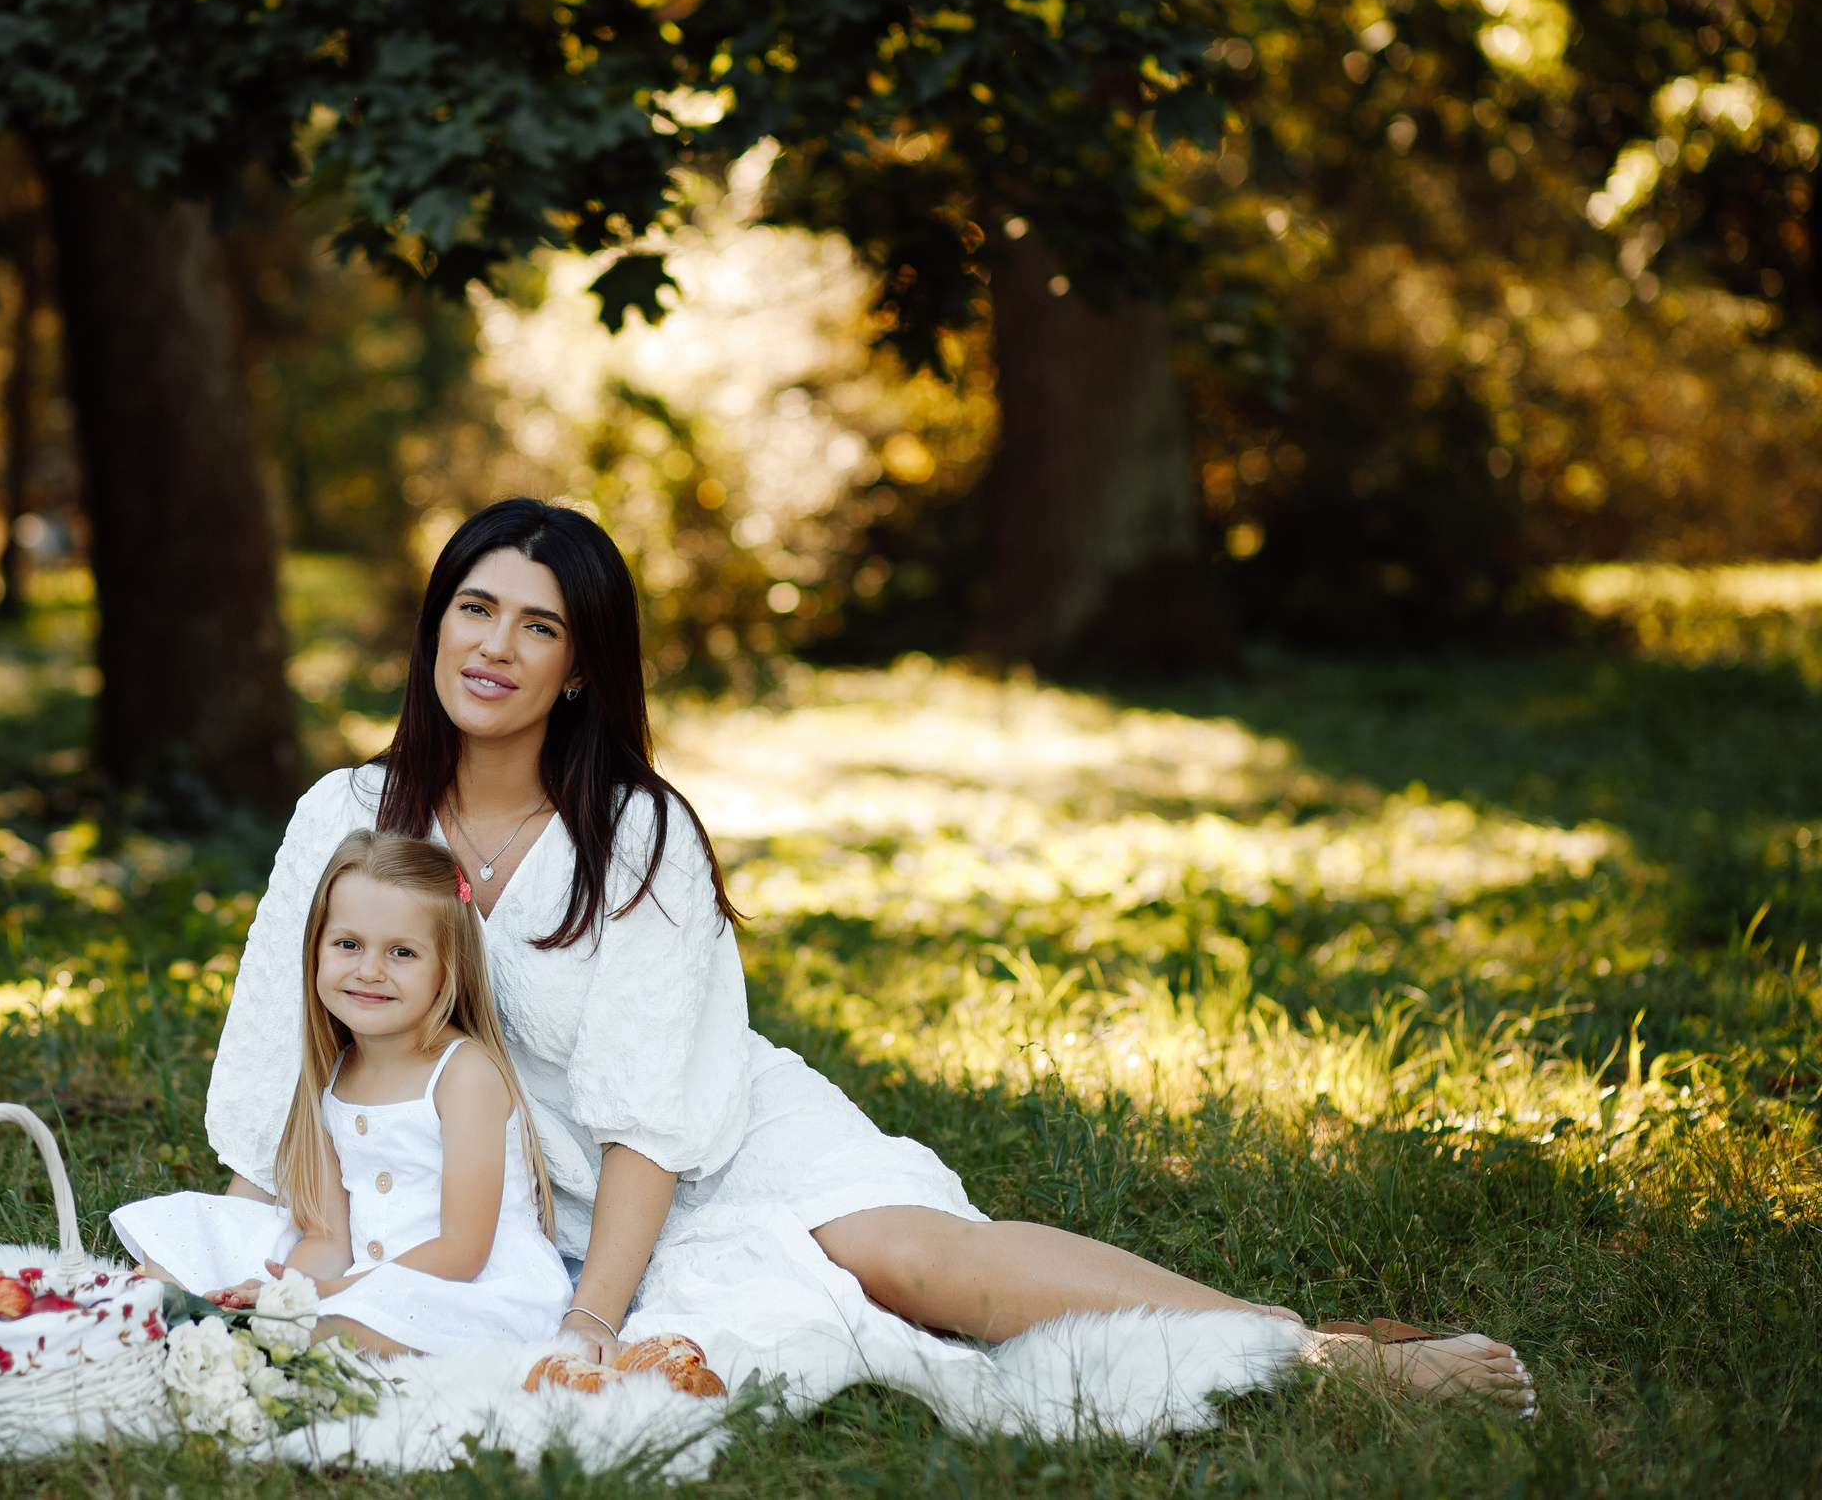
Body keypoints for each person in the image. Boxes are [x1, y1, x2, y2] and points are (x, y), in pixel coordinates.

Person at [204, 498, 1534, 1416]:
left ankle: (1308, 1354)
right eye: (475, 607)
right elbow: (283, 1046)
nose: (494, 645)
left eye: (538, 625)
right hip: (504, 1180)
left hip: (709, 1133)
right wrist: (255, 1265)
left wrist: (594, 1317)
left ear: (584, 668)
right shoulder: (344, 812)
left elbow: (660, 1112)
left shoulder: (637, 833)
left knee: (911, 1264)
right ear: (434, 623)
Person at [114, 829, 571, 1357]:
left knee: (338, 1331)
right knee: (198, 1233)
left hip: (463, 1286)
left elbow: (463, 1251)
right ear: (317, 948)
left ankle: (260, 1337)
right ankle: (227, 1319)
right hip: (359, 1280)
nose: (369, 971)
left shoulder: (463, 1074)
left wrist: (325, 1298)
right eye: (348, 945)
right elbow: (331, 1241)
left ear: (449, 969)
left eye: (402, 952)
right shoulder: (335, 1074)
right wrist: (286, 1290)